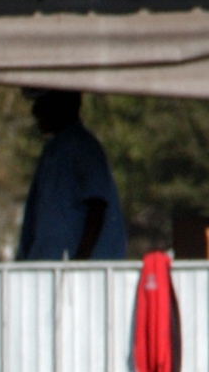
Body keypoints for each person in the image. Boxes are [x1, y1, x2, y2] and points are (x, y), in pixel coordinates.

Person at [15, 89, 127, 262]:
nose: (35, 111)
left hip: (80, 275)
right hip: (47, 268)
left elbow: (97, 205)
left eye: (43, 103)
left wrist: (80, 261)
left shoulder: (83, 146)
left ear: (64, 104)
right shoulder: (52, 150)